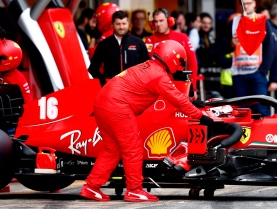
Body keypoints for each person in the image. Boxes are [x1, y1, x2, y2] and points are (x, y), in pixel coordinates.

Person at [81, 40, 210, 202]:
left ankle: (91, 187)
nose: (179, 67)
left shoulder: (148, 67)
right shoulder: (158, 76)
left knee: (112, 149)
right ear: (171, 57)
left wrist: (191, 103)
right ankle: (134, 190)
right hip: (117, 107)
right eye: (179, 62)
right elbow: (177, 100)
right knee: (133, 148)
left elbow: (173, 96)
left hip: (102, 103)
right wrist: (201, 116)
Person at [227, 0, 277, 116]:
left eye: (249, 3)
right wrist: (231, 44)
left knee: (261, 109)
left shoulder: (262, 21)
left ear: (254, 3)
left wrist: (264, 72)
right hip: (239, 74)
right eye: (243, 3)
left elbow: (270, 49)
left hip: (257, 72)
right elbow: (222, 47)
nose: (246, 6)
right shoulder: (233, 22)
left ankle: (265, 135)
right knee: (242, 112)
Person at [89, 11, 150, 86]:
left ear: (128, 23)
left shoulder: (138, 43)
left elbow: (147, 66)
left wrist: (139, 81)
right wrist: (104, 82)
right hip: (112, 88)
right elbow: (93, 69)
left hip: (134, 87)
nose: (121, 27)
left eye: (124, 24)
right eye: (118, 24)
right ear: (112, 24)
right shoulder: (104, 44)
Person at [145, 8, 199, 91]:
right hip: (157, 87)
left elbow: (192, 63)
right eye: (156, 21)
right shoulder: (149, 40)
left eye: (161, 20)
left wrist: (193, 88)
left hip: (179, 85)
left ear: (169, 21)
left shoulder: (182, 38)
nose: (158, 24)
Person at [196, 13, 231, 96]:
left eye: (208, 23)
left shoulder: (213, 37)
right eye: (204, 23)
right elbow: (201, 54)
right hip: (200, 74)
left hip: (215, 76)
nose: (206, 25)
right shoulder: (195, 36)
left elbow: (218, 53)